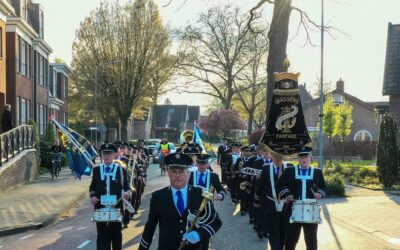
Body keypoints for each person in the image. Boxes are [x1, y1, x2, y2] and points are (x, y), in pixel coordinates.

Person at [139, 153, 222, 250]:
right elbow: (150, 226)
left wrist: (199, 234)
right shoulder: (158, 196)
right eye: (173, 171)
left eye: (181, 171)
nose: (177, 175)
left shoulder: (200, 194)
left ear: (188, 173)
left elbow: (216, 222)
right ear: (168, 173)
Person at [277, 147, 327, 250]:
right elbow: (279, 185)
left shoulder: (317, 172)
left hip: (311, 211)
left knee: (311, 240)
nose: (303, 159)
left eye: (306, 157)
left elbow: (324, 187)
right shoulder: (289, 171)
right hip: (293, 209)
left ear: (310, 158)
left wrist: (320, 194)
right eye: (301, 157)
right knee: (291, 240)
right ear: (298, 159)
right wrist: (287, 194)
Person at [89, 143, 131, 250]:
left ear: (114, 155)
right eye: (105, 154)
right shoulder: (97, 170)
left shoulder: (121, 170)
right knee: (102, 235)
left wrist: (127, 194)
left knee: (116, 234)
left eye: (110, 154)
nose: (107, 156)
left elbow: (127, 188)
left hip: (116, 207)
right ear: (102, 155)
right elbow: (92, 187)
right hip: (100, 207)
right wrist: (93, 197)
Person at [254, 152, 294, 250]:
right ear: (271, 155)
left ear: (283, 156)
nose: (277, 158)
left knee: (284, 229)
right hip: (271, 204)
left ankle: (282, 246)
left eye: (279, 156)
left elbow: (294, 185)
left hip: (286, 204)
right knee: (273, 230)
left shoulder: (289, 167)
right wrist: (256, 199)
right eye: (274, 156)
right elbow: (261, 185)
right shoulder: (266, 168)